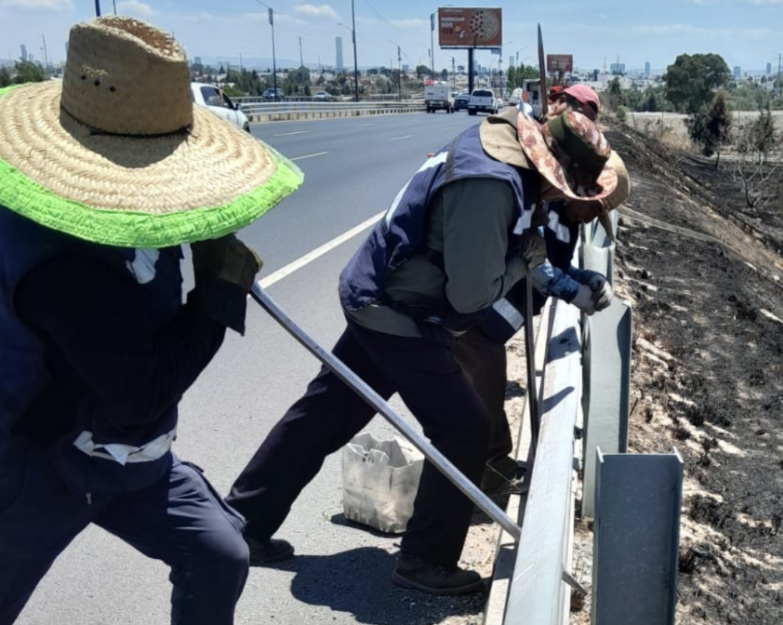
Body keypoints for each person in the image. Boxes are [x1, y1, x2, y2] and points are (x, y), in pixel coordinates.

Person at [226, 106, 620, 596]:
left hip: (384, 293)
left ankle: (242, 521)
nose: (563, 198)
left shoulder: (496, 148)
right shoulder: (490, 186)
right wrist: (522, 260)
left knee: (325, 412)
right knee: (464, 428)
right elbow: (471, 296)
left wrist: (536, 262)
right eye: (567, 188)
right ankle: (425, 559)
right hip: (402, 312)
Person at [0, 17, 302, 625]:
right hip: (40, 461)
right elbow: (141, 391)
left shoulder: (141, 214)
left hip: (128, 456)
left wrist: (204, 238)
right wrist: (217, 296)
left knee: (218, 554)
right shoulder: (60, 264)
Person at [461, 85, 631, 493]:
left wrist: (582, 278)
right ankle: (485, 476)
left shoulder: (569, 217)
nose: (591, 212)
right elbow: (532, 260)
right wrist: (574, 291)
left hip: (494, 319)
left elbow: (550, 260)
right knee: (480, 399)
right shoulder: (545, 196)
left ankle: (489, 470)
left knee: (484, 395)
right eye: (592, 204)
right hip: (477, 316)